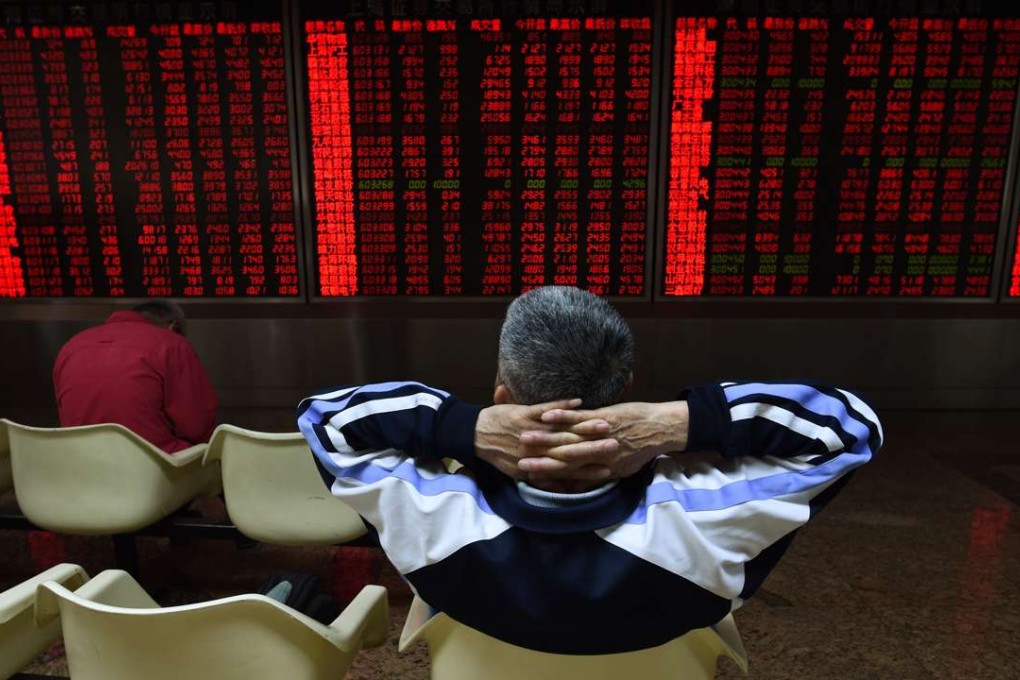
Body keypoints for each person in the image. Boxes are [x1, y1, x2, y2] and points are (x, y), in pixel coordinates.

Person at [297, 286, 882, 654]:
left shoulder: (429, 517)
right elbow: (850, 427)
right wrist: (679, 422)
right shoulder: (710, 520)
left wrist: (465, 426)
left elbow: (325, 418)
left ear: (503, 394)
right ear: (627, 392)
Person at [53, 300, 218, 453]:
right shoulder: (172, 344)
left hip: (80, 465)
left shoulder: (72, 346)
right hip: (151, 467)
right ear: (173, 327)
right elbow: (196, 426)